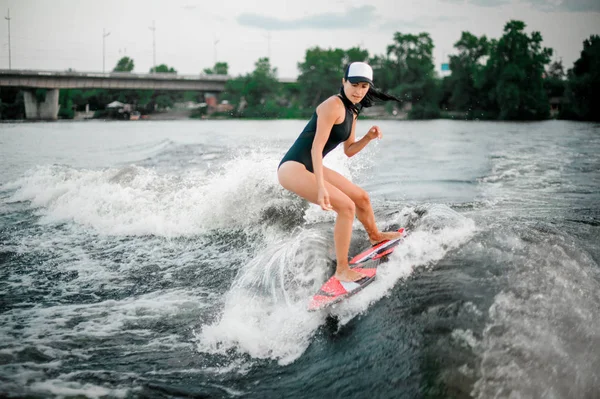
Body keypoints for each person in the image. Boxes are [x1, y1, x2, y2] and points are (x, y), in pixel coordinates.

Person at [277, 61, 404, 283]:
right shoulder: (332, 105)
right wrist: (321, 187)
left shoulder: (353, 110)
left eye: (364, 86)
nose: (358, 91)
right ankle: (342, 269)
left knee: (361, 198)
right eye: (354, 84)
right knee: (346, 207)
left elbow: (349, 151)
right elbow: (317, 147)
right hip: (293, 167)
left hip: (311, 166)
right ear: (343, 81)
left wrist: (368, 138)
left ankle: (375, 236)